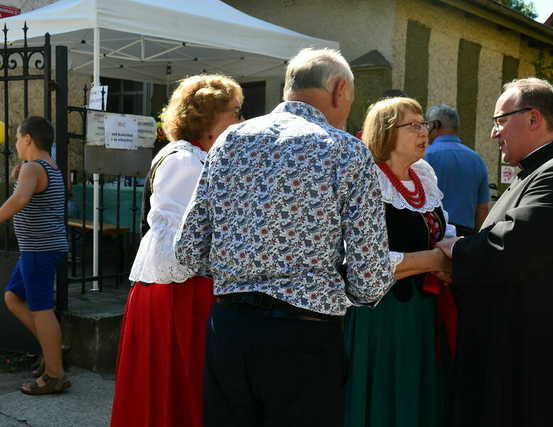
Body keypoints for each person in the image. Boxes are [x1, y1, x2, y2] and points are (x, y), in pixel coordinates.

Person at [174, 48, 450, 427]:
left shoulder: (229, 141)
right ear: (339, 91)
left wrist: (241, 269)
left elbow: (188, 248)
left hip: (230, 328)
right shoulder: (346, 151)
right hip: (305, 337)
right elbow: (369, 281)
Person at [436, 78, 553, 427]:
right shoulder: (537, 171)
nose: (493, 133)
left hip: (545, 359)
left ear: (533, 118)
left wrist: (456, 251)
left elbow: (512, 246)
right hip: (527, 345)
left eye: (500, 121)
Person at [110, 74, 244, 427]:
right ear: (210, 118)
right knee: (179, 393)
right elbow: (175, 240)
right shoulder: (186, 162)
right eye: (235, 111)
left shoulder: (199, 158)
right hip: (178, 294)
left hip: (184, 291)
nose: (240, 120)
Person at [344, 97, 457, 427]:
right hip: (382, 314)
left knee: (418, 390)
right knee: (385, 394)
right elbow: (364, 258)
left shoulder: (424, 174)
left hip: (422, 308)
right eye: (414, 125)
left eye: (425, 124)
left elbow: (441, 227)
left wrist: (452, 250)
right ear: (386, 132)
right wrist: (435, 259)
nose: (424, 132)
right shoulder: (367, 180)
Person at [3, 116, 69, 395]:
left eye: (18, 138)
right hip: (43, 247)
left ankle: (54, 374)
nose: (16, 143)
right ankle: (52, 347)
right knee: (13, 297)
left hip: (39, 250)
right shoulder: (50, 168)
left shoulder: (32, 167)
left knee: (41, 308)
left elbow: (21, 200)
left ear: (28, 138)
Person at [424, 104, 490, 235]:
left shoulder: (425, 157)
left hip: (434, 235)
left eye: (426, 125)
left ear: (435, 125)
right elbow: (482, 208)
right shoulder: (477, 160)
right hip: (466, 238)